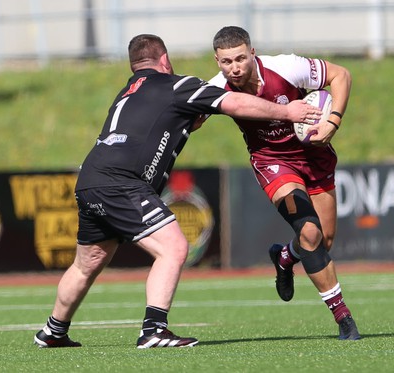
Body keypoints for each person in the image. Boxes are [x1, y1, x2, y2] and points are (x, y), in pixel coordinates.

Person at [33, 34, 320, 349]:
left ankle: (52, 331)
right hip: (121, 182)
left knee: (87, 262)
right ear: (164, 60)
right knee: (174, 247)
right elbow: (234, 102)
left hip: (90, 179)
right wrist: (287, 112)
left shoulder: (129, 91)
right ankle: (153, 331)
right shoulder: (176, 86)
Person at [209, 26, 360, 340]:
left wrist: (333, 121)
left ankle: (285, 256)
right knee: (309, 231)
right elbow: (187, 116)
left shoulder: (287, 67)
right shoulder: (216, 89)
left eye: (240, 58)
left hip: (315, 155)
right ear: (217, 61)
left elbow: (341, 75)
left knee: (323, 241)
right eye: (226, 62)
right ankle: (344, 318)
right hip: (273, 162)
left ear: (253, 53)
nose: (234, 68)